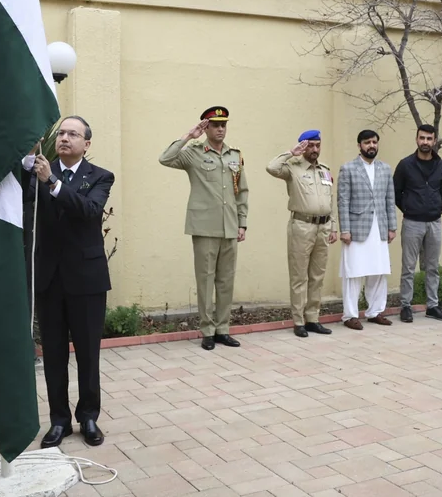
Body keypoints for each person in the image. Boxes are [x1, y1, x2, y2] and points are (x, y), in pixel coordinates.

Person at [22, 116, 114, 449]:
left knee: (89, 353)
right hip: (50, 278)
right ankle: (58, 420)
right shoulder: (37, 173)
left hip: (87, 280)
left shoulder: (100, 177)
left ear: (86, 144)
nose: (64, 138)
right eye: (61, 132)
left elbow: (89, 211)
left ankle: (88, 417)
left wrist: (54, 184)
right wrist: (32, 167)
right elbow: (20, 194)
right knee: (54, 354)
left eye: (73, 134)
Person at [159, 106, 249, 351]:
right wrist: (189, 136)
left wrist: (242, 223)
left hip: (230, 226)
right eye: (215, 125)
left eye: (223, 125)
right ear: (206, 127)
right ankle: (207, 331)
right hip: (204, 228)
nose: (220, 129)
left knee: (226, 282)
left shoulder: (235, 155)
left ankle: (223, 329)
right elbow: (165, 158)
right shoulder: (193, 153)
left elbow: (242, 191)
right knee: (206, 282)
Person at [266, 130, 338, 338]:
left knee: (317, 276)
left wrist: (333, 226)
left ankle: (313, 318)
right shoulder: (292, 168)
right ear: (303, 146)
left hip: (323, 227)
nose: (314, 150)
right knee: (299, 277)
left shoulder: (325, 170)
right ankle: (298, 321)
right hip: (302, 226)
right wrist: (291, 152)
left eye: (317, 145)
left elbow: (329, 201)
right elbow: (271, 167)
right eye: (310, 146)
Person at [337, 130, 397, 329]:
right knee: (354, 272)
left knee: (378, 271)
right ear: (359, 145)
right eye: (367, 142)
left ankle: (375, 312)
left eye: (374, 142)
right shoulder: (348, 169)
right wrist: (344, 229)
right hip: (356, 229)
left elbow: (390, 199)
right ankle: (350, 316)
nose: (371, 145)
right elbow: (343, 202)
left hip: (379, 227)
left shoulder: (385, 169)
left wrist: (392, 227)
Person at [395, 124, 442, 323]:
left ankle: (432, 306)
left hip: (434, 223)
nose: (425, 142)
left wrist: (434, 208)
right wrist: (411, 209)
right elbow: (396, 193)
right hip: (412, 223)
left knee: (432, 267)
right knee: (408, 267)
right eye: (422, 138)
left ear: (434, 141)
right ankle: (406, 306)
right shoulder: (405, 165)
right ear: (416, 139)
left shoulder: (441, 165)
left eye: (429, 139)